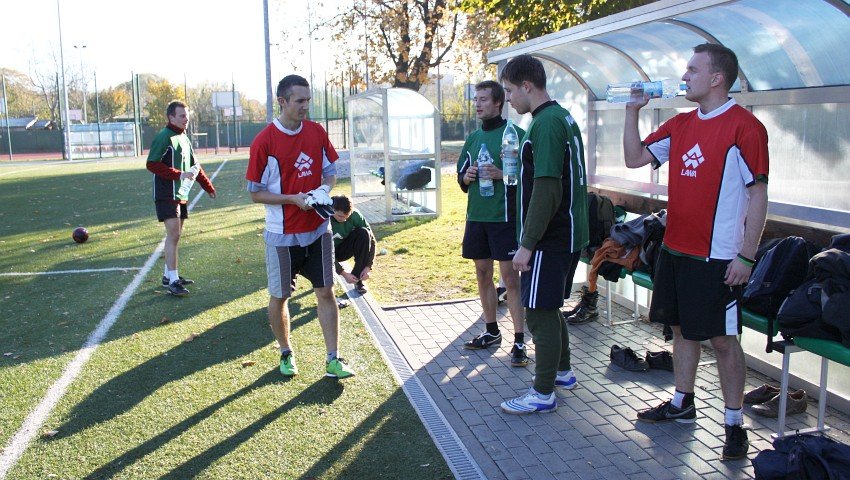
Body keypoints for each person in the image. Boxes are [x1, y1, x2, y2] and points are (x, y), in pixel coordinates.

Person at [623, 43, 769, 460]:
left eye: (692, 70)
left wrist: (746, 256)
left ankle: (734, 424)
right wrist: (632, 111)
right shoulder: (680, 123)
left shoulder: (746, 128)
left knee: (723, 340)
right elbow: (634, 158)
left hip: (718, 258)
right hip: (675, 251)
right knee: (681, 330)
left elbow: (758, 196)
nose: (684, 77)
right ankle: (682, 403)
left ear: (717, 78)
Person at [246, 74, 355, 380]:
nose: (306, 106)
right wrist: (292, 199)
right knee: (280, 297)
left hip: (318, 231)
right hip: (282, 236)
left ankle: (333, 359)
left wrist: (323, 190)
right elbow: (255, 193)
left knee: (326, 291)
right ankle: (285, 352)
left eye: (308, 100)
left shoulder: (316, 131)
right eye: (299, 101)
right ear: (282, 101)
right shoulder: (264, 141)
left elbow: (330, 173)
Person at [498, 55, 589, 414]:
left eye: (509, 91)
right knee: (549, 308)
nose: (508, 99)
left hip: (552, 237)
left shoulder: (546, 124)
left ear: (527, 86)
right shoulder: (560, 116)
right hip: (566, 234)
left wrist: (527, 244)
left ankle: (542, 392)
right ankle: (562, 373)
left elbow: (548, 189)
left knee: (536, 312)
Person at [457, 80, 528, 367]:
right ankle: (491, 331)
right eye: (476, 99)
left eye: (484, 99)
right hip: (477, 217)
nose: (478, 104)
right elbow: (461, 177)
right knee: (482, 273)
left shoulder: (516, 134)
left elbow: (531, 175)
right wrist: (467, 177)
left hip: (505, 218)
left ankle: (520, 340)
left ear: (498, 102)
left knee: (510, 278)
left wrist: (503, 174)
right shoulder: (473, 138)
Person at [146, 100, 216, 297]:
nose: (186, 119)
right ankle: (173, 281)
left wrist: (207, 186)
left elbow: (195, 166)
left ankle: (168, 276)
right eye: (182, 116)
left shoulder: (184, 137)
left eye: (187, 116)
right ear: (171, 117)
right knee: (173, 235)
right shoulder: (164, 137)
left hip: (181, 193)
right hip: (166, 194)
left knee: (176, 236)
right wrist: (179, 174)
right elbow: (152, 164)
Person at [330, 194, 375, 295]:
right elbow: (321, 251)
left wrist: (368, 266)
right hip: (326, 251)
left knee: (364, 233)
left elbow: (371, 240)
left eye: (347, 216)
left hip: (344, 250)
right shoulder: (324, 218)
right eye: (340, 216)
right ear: (332, 210)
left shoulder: (355, 215)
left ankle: (357, 279)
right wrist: (344, 273)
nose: (344, 220)